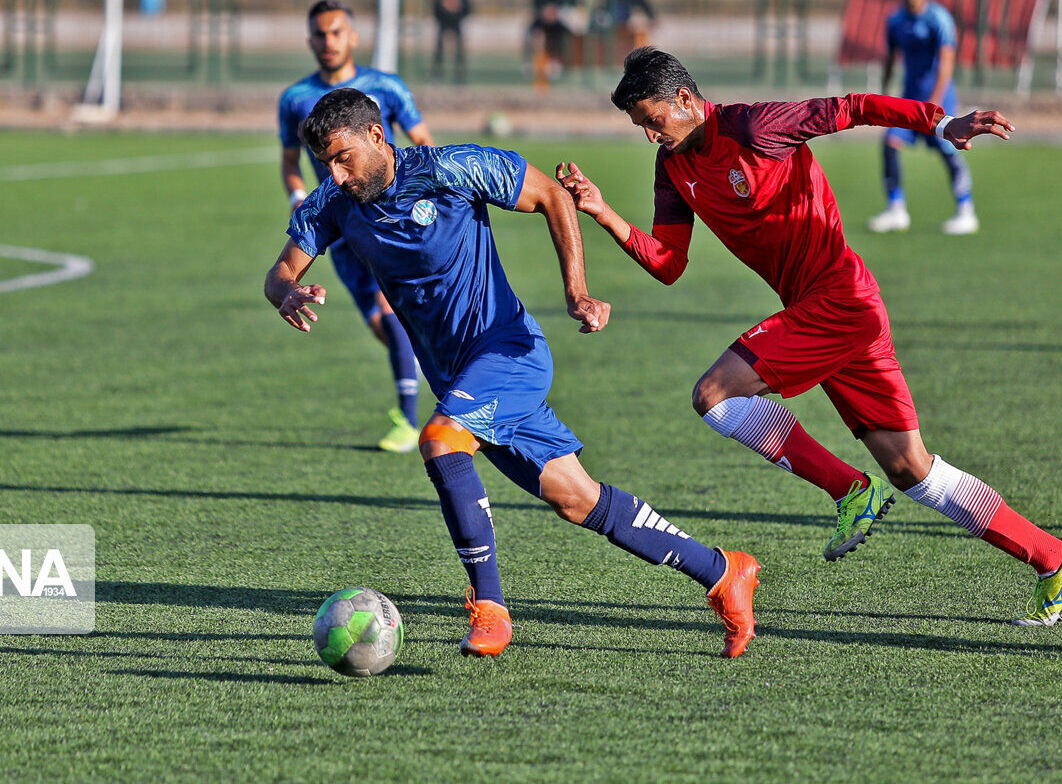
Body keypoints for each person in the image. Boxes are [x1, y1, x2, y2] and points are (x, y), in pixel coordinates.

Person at [558, 47, 1062, 627]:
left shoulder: (756, 126)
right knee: (911, 468)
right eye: (640, 127)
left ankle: (848, 489)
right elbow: (669, 263)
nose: (649, 136)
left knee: (714, 394)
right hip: (828, 312)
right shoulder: (673, 168)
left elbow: (854, 106)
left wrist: (941, 123)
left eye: (652, 121)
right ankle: (1053, 557)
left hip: (838, 299)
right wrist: (604, 212)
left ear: (685, 99)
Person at [265, 87, 760, 658]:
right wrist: (286, 292)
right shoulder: (332, 203)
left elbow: (551, 194)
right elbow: (278, 272)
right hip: (459, 379)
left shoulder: (451, 167)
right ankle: (724, 572)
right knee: (578, 499)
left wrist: (577, 292)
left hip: (509, 352)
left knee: (442, 441)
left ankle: (490, 607)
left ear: (378, 136)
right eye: (324, 162)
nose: (335, 172)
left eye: (342, 156)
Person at [278, 0, 435, 453]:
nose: (328, 42)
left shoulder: (385, 87)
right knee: (378, 323)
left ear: (353, 37)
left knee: (390, 306)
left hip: (386, 215)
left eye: (336, 32)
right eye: (320, 35)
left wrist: (427, 193)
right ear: (310, 41)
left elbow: (423, 141)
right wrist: (300, 202)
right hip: (336, 220)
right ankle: (418, 358)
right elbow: (290, 162)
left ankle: (409, 421)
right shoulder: (295, 99)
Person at [872, 0, 977, 235]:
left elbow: (946, 65)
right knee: (890, 143)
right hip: (909, 102)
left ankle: (966, 210)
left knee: (949, 150)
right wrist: (880, 96)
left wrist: (935, 104)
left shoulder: (939, 19)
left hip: (939, 101)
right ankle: (896, 209)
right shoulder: (895, 21)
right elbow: (890, 60)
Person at [528, 0, 580, 87]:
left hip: (562, 16)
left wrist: (557, 11)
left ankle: (558, 60)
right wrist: (544, 11)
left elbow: (572, 1)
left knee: (562, 31)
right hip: (544, 16)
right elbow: (536, 1)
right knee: (534, 31)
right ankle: (534, 63)